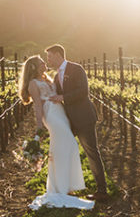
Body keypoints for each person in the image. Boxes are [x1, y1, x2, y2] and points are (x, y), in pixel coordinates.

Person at [18, 54, 94, 210]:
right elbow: (38, 105)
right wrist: (39, 126)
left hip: (61, 112)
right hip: (51, 114)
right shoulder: (33, 83)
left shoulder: (47, 78)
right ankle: (60, 188)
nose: (44, 63)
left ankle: (66, 186)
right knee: (67, 145)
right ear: (33, 67)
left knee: (66, 147)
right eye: (41, 62)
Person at [43, 43, 109, 201]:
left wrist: (63, 97)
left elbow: (83, 91)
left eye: (50, 57)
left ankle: (102, 191)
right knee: (63, 149)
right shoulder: (57, 75)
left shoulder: (76, 69)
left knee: (91, 152)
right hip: (70, 120)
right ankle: (64, 186)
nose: (48, 60)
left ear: (58, 55)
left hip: (84, 118)